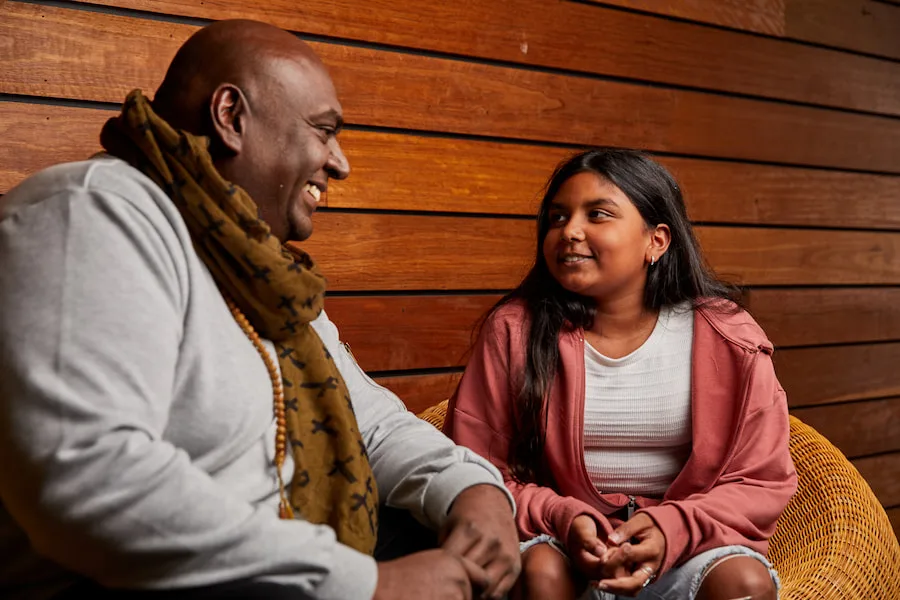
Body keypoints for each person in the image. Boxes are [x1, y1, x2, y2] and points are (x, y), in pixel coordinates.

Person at [0, 19, 520, 600]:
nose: (340, 163)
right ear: (231, 117)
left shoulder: (260, 263)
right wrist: (363, 585)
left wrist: (474, 492)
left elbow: (369, 420)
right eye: (324, 132)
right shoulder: (93, 214)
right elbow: (87, 474)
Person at [443, 148, 797, 600]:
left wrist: (671, 528)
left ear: (657, 240)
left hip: (685, 546)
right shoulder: (515, 330)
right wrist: (564, 519)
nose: (569, 231)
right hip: (560, 546)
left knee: (743, 584)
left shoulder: (728, 336)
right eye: (557, 217)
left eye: (598, 214)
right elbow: (476, 470)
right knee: (541, 574)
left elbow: (761, 478)